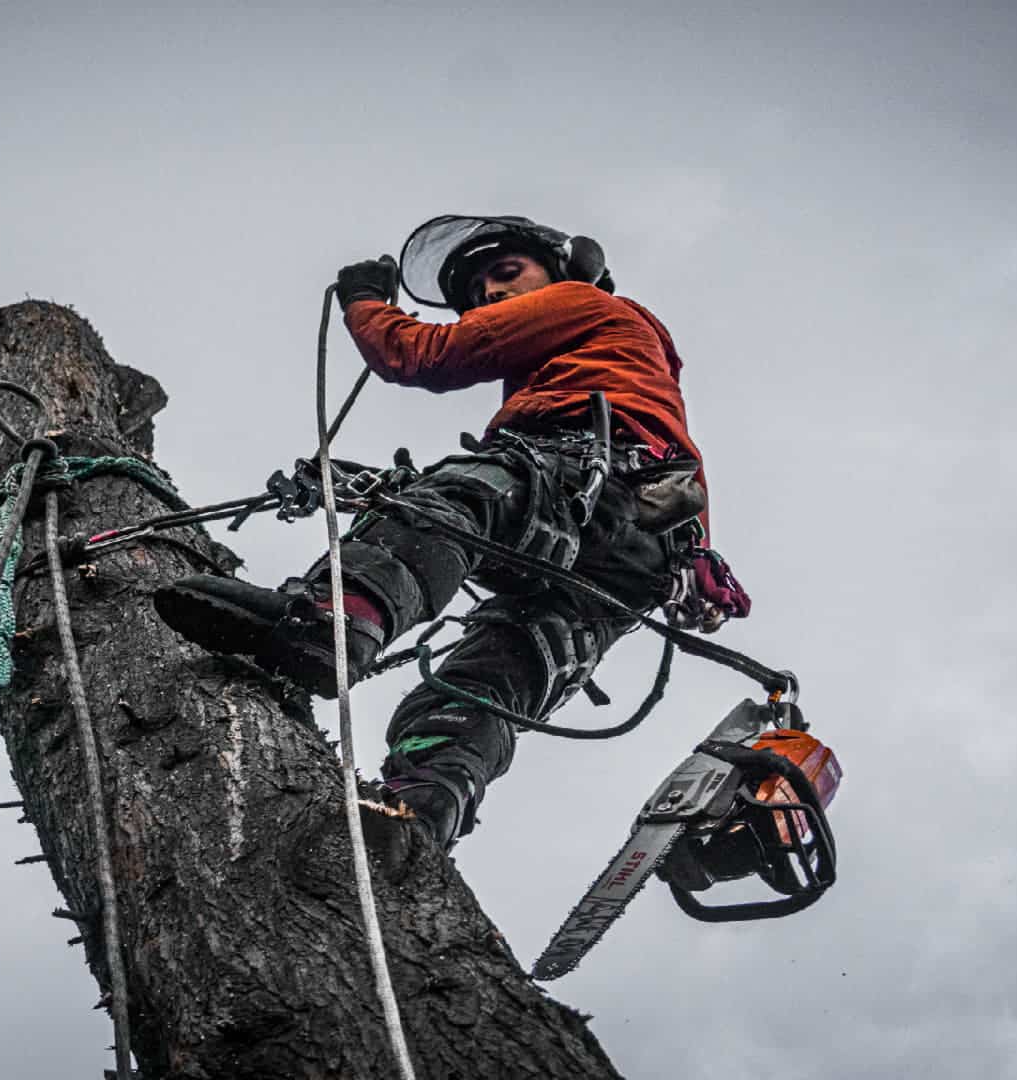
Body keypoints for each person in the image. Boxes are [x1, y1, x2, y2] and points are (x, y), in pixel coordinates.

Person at [153, 215, 749, 852]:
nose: (490, 295)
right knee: (486, 679)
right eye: (478, 290)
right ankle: (425, 805)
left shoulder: (586, 305)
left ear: (567, 272)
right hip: (637, 554)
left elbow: (420, 355)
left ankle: (328, 625)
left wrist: (365, 300)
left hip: (590, 484)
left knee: (448, 502)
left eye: (506, 273)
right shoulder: (624, 369)